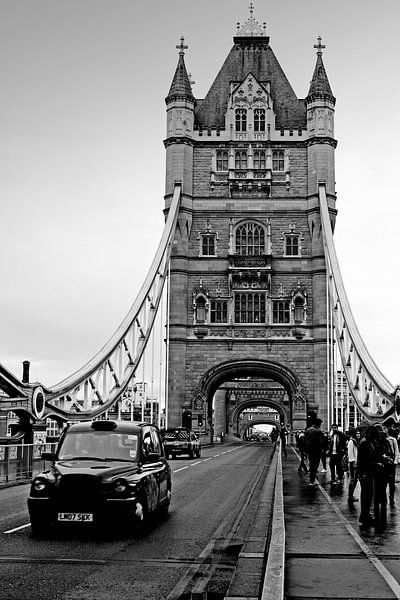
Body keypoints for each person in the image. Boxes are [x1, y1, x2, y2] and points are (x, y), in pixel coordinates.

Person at [357, 425, 380, 528]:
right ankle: (365, 516)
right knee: (366, 495)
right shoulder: (365, 443)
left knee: (367, 495)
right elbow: (364, 460)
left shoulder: (367, 442)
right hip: (366, 473)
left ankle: (365, 515)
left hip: (367, 472)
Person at [304, 418, 324, 486]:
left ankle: (311, 480)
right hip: (316, 451)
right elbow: (320, 442)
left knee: (312, 464)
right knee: (315, 465)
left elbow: (304, 440)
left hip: (309, 450)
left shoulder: (308, 430)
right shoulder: (318, 431)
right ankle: (312, 480)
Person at [386, 427, 399, 506]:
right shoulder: (381, 439)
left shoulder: (392, 439)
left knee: (391, 482)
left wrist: (395, 461)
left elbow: (396, 451)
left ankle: (391, 497)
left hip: (391, 463)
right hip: (384, 463)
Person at [347, 428, 361, 503]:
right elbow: (350, 454)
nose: (358, 435)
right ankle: (350, 495)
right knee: (352, 479)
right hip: (353, 463)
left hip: (356, 463)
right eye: (357, 433)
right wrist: (353, 462)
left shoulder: (356, 442)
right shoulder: (351, 442)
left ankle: (351, 495)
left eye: (359, 433)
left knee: (354, 480)